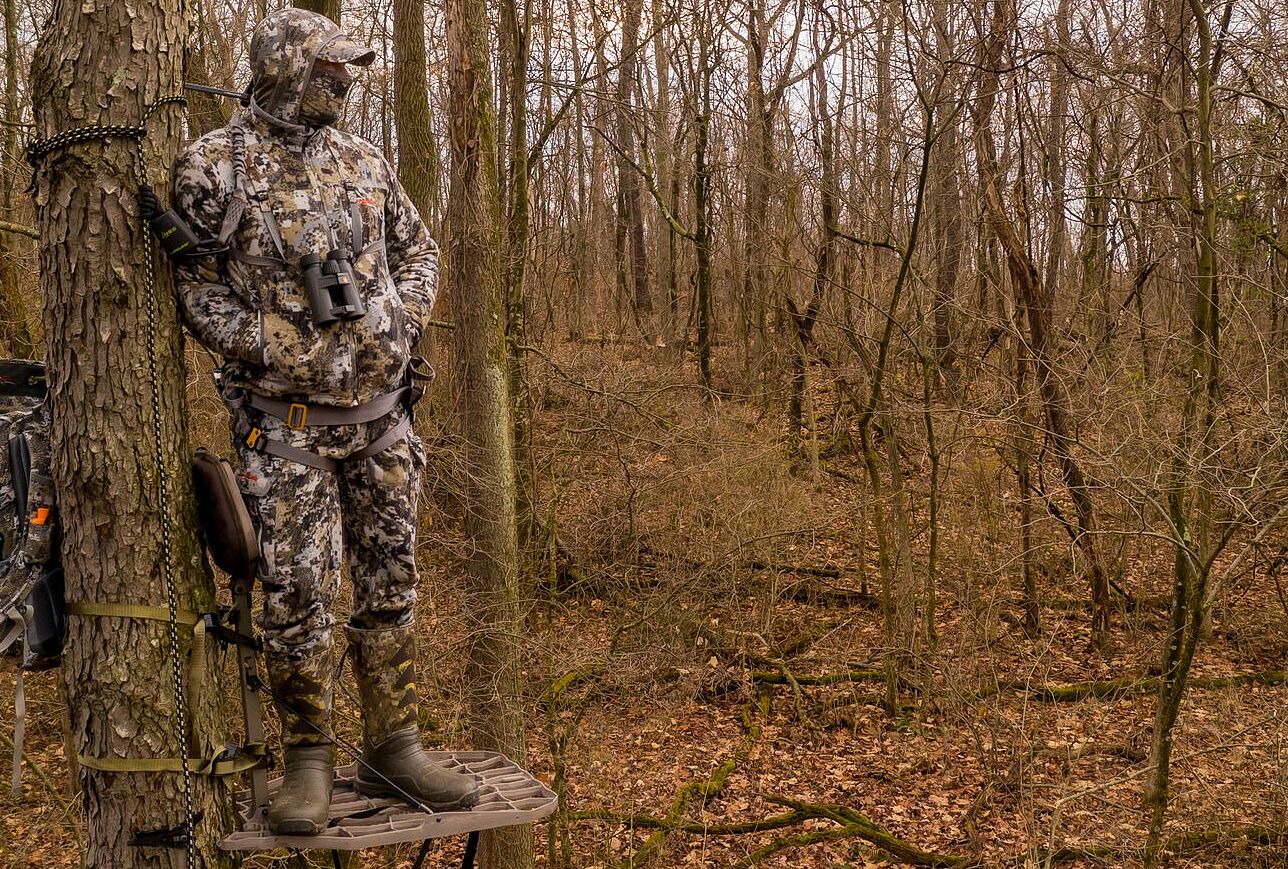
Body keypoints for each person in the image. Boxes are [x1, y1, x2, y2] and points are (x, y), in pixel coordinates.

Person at [170, 8, 478, 835]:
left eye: (350, 68)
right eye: (332, 67)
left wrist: (398, 319)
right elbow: (192, 286)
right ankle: (307, 754)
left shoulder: (363, 158)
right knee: (296, 594)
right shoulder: (213, 168)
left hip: (384, 424)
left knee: (392, 585)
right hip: (288, 429)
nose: (347, 80)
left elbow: (421, 251)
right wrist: (263, 337)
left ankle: (393, 744)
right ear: (287, 69)